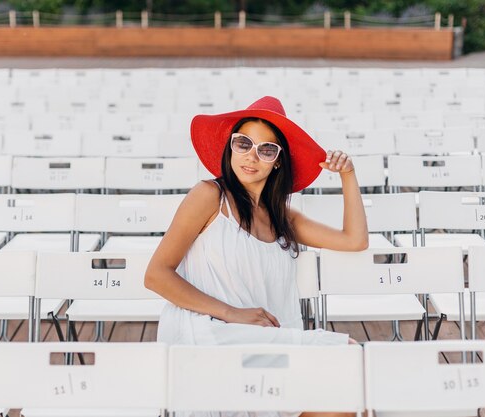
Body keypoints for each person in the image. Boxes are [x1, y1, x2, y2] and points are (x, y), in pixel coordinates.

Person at [145, 96, 368, 416]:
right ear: (230, 147)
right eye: (243, 143)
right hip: (210, 332)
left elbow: (355, 240)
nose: (252, 156)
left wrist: (348, 174)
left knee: (349, 378)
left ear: (277, 160)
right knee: (346, 355)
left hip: (264, 338)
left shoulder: (284, 218)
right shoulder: (209, 196)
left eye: (266, 149)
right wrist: (231, 313)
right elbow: (156, 274)